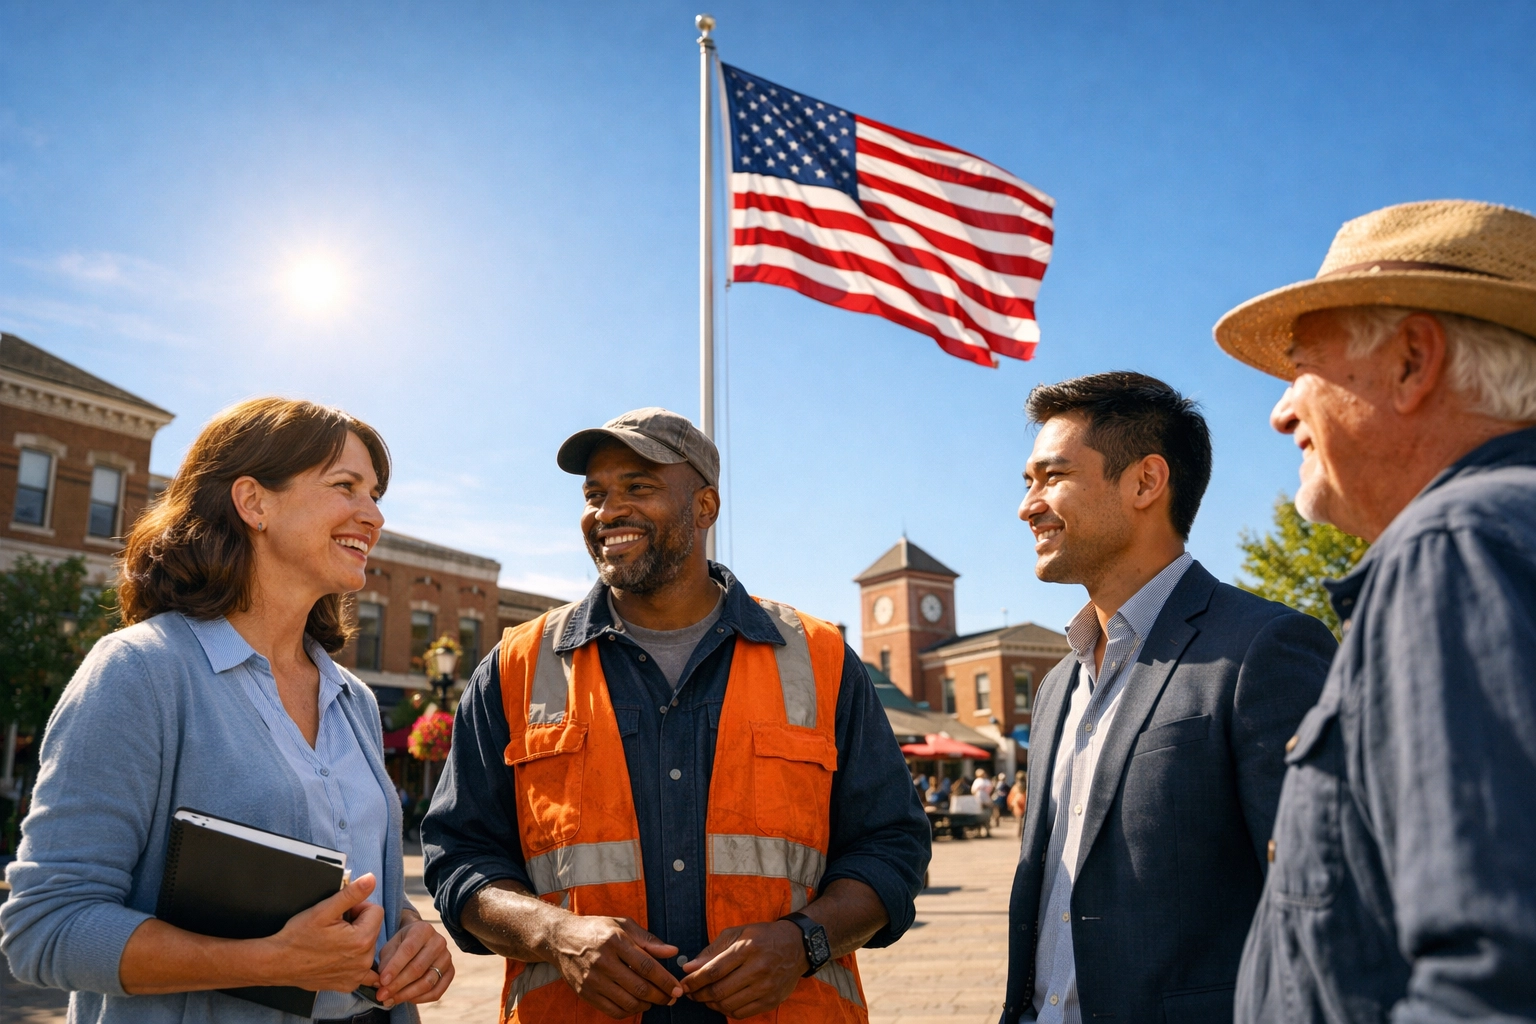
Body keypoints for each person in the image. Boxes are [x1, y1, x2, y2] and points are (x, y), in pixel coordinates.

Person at [421, 408, 931, 1022]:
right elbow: (458, 857)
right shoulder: (515, 668)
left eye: (639, 486)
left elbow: (893, 845)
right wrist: (551, 933)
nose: (608, 511)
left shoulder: (821, 660)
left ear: (705, 507)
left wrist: (803, 941)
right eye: (595, 493)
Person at [0, 398, 453, 1023]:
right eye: (345, 486)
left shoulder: (355, 701)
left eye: (375, 494)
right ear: (254, 502)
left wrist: (410, 932)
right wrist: (270, 962)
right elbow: (46, 927)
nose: (372, 515)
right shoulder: (141, 672)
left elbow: (361, 886)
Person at [1214, 199, 1536, 1021]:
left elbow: (1495, 983)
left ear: (1411, 361)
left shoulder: (1457, 544)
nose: (1282, 411)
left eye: (1301, 368)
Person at [1001, 373, 1336, 1024]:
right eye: (1027, 483)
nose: (1028, 505)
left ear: (1146, 482)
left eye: (1052, 477)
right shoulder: (1052, 690)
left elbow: (1324, 913)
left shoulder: (1265, 649)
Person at [1007, 770, 1028, 837]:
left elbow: (1010, 797)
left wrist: (1010, 805)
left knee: (1019, 821)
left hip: (1017, 806)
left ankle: (1018, 834)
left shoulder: (1015, 787)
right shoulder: (1028, 786)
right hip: (1025, 805)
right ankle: (1023, 834)